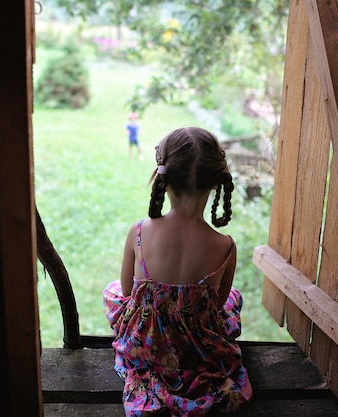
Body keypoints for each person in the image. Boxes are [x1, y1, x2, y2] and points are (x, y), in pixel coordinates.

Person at [103, 127, 253, 416]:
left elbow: (126, 294)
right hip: (195, 351)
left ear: (164, 180)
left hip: (145, 345)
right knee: (234, 297)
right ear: (215, 185)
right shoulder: (225, 246)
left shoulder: (138, 232)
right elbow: (217, 307)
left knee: (110, 291)